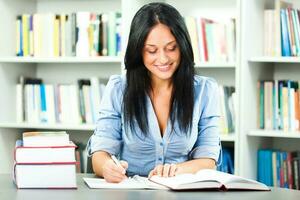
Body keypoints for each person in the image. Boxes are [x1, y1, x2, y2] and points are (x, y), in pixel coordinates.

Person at [87, 2, 221, 183]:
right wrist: (107, 167)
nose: (163, 58)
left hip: (181, 192)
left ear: (182, 46)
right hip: (130, 192)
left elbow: (208, 159)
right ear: (139, 51)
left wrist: (176, 170)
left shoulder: (205, 90)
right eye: (151, 50)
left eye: (171, 48)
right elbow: (100, 153)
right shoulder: (119, 88)